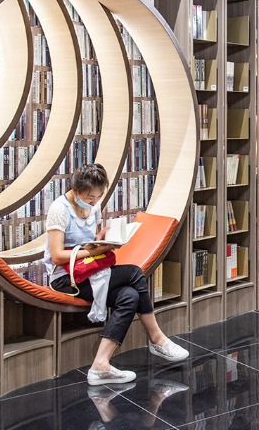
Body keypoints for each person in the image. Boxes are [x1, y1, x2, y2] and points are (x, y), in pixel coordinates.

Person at [44, 163, 189, 386]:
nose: (94, 201)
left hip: (89, 272)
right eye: (90, 197)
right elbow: (56, 256)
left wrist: (102, 239)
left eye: (98, 196)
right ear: (75, 189)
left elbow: (88, 242)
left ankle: (100, 365)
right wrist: (96, 251)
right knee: (134, 273)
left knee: (130, 296)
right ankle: (157, 338)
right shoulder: (59, 209)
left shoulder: (93, 207)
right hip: (65, 279)